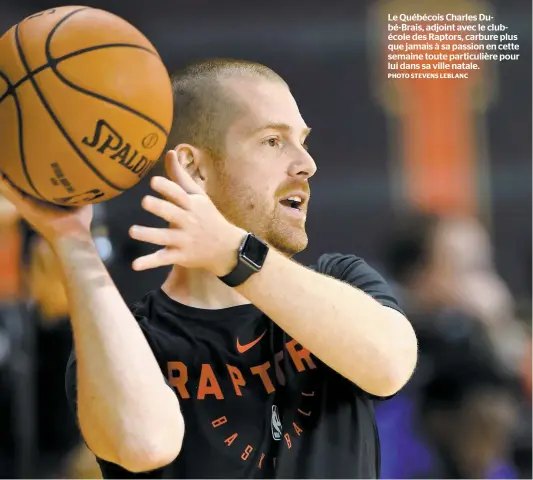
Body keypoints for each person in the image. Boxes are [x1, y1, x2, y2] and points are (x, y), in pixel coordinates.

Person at [0, 58, 417, 478]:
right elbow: (145, 443)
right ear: (194, 168)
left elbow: (390, 365)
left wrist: (235, 254)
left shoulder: (341, 279)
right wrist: (71, 240)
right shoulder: (129, 338)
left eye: (303, 141)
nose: (306, 163)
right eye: (272, 141)